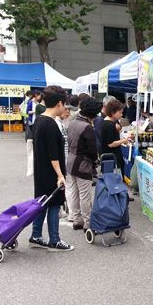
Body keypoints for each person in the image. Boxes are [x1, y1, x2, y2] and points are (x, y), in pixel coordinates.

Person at [29, 85, 74, 252]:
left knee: (42, 203)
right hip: (51, 173)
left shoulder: (39, 120)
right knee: (54, 204)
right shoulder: (50, 124)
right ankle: (54, 240)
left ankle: (36, 235)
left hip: (41, 171)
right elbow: (53, 155)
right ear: (59, 103)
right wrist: (60, 175)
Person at [66, 97, 100, 231]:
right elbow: (92, 150)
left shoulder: (73, 122)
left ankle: (77, 219)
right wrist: (96, 162)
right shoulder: (88, 128)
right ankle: (88, 223)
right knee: (85, 195)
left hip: (71, 161)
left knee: (74, 192)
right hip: (83, 164)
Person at [25, 90, 42, 176]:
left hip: (37, 122)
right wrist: (35, 112)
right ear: (36, 95)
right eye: (39, 95)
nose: (40, 97)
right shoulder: (30, 102)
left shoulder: (39, 103)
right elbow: (27, 112)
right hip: (32, 122)